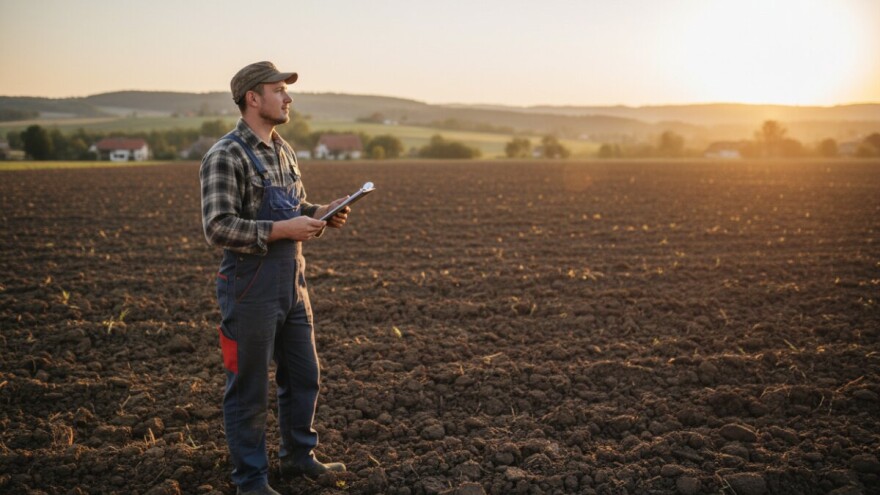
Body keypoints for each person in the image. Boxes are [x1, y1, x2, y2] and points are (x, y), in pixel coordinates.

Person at [200, 61, 349, 495]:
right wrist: (281, 230)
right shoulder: (225, 154)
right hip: (248, 287)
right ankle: (250, 481)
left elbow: (293, 206)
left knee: (304, 376)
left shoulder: (283, 149)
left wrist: (320, 212)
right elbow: (217, 226)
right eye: (279, 90)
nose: (288, 98)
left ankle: (298, 458)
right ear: (253, 98)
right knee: (248, 388)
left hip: (292, 285)